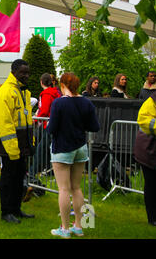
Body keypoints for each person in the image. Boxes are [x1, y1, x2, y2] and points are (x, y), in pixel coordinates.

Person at [47, 72, 100, 238]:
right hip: (80, 147)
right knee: (76, 188)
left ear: (63, 85)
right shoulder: (86, 103)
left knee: (64, 189)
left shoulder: (58, 104)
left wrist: (49, 124)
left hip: (62, 148)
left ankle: (64, 228)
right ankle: (78, 226)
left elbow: (51, 129)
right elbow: (95, 126)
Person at [0, 59, 35, 224]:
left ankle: (16, 209)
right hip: (8, 145)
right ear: (14, 72)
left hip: (22, 144)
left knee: (19, 178)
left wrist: (29, 142)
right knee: (8, 179)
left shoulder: (23, 91)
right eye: (23, 72)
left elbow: (26, 119)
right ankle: (6, 212)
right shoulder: (5, 92)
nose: (26, 76)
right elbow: (5, 124)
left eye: (28, 72)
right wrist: (13, 149)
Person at [134, 87, 156, 228]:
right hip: (150, 151)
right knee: (153, 185)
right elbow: (144, 120)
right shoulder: (154, 101)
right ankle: (154, 217)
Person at [29, 73, 61, 179]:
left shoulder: (46, 94)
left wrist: (36, 119)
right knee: (44, 147)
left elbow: (45, 110)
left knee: (41, 148)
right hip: (51, 124)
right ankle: (47, 169)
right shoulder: (56, 92)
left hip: (48, 124)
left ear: (41, 82)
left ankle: (32, 172)